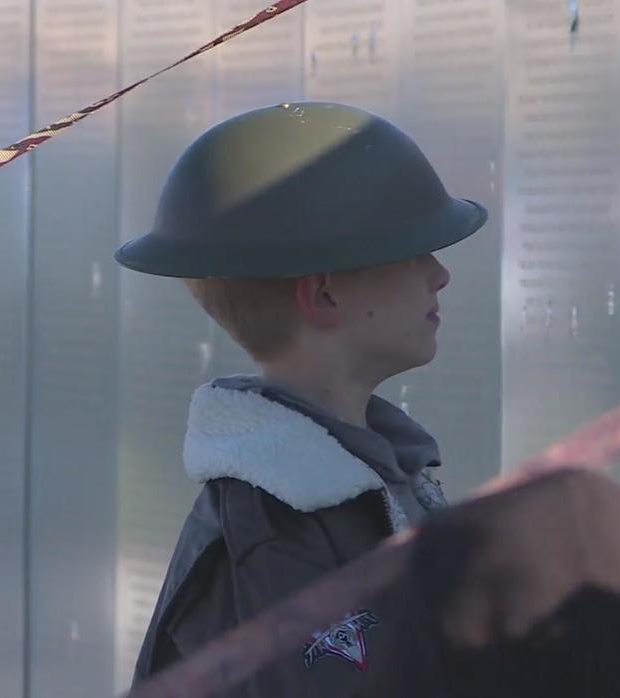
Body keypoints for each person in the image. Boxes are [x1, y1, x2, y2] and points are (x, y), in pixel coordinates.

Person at [116, 101, 487, 695]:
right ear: (323, 294)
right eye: (412, 251)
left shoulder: (376, 474)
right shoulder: (274, 531)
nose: (438, 274)